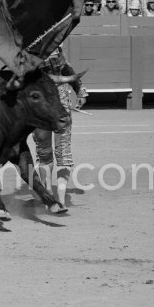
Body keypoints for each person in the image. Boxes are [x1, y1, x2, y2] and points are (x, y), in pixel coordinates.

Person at [33, 47, 88, 212]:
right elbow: (66, 68)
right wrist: (80, 91)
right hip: (43, 107)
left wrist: (80, 91)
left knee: (56, 152)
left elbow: (66, 68)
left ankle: (59, 199)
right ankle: (50, 196)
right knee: (46, 152)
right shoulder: (52, 44)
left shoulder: (28, 46)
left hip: (50, 106)